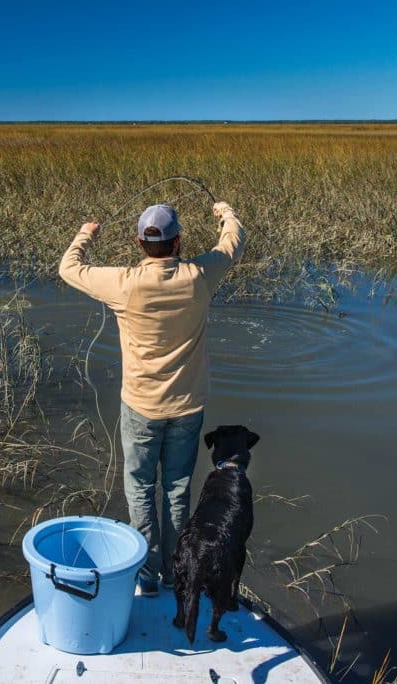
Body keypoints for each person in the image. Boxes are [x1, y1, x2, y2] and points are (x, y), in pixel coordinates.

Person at [58, 201, 246, 595]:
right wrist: (225, 212)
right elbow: (233, 242)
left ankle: (146, 575)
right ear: (178, 241)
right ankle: (176, 571)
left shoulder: (124, 284)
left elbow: (68, 269)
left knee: (140, 488)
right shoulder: (198, 276)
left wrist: (86, 233)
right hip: (187, 407)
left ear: (139, 242)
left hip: (141, 408)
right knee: (177, 490)